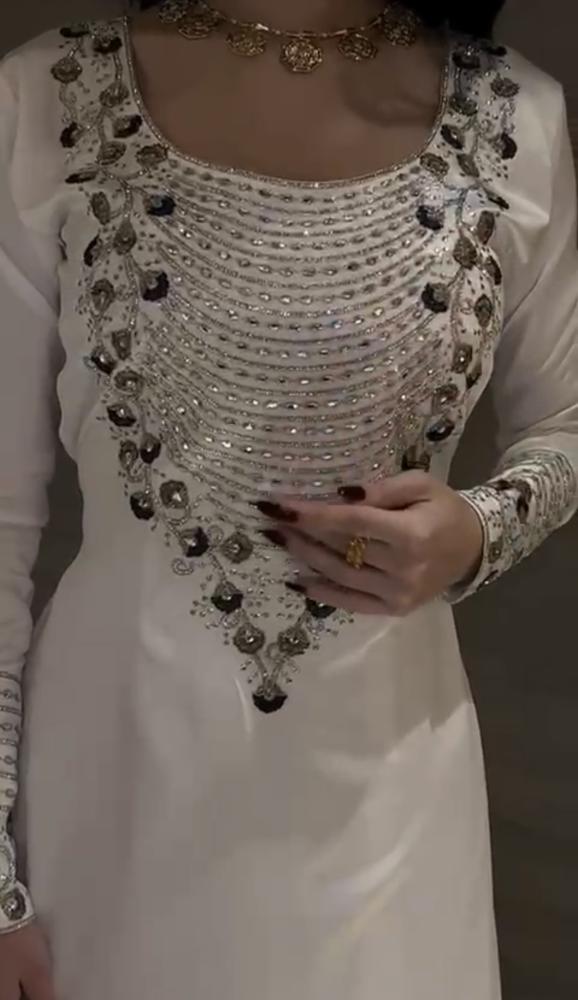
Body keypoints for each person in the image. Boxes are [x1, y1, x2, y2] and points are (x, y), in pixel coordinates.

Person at [0, 0, 577, 997]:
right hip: (119, 781)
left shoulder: (514, 114)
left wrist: (478, 529)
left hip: (387, 793)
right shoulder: (50, 96)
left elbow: (566, 421)